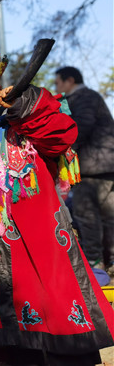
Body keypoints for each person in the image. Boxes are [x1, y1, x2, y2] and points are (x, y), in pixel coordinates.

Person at [0, 52, 114, 365]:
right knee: (8, 326)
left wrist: (25, 104)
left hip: (40, 228)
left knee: (56, 302)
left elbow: (61, 136)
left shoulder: (26, 121)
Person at [55, 66, 114, 277]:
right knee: (107, 216)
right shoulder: (89, 97)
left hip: (92, 167)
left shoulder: (84, 97)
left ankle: (95, 263)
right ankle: (108, 261)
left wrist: (60, 156)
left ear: (69, 80)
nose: (57, 87)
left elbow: (78, 129)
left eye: (58, 82)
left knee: (87, 215)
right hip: (105, 166)